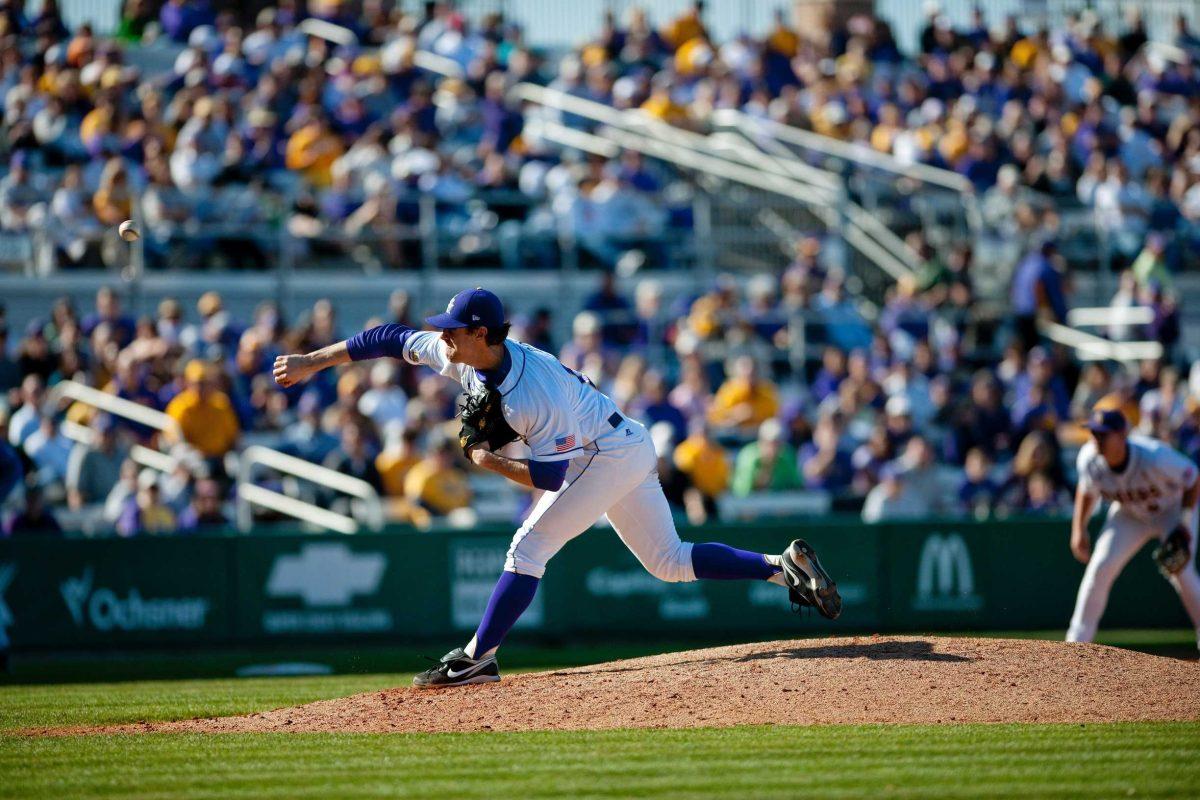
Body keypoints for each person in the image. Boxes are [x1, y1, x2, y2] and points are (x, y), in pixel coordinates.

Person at [274, 287, 843, 688]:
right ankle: (780, 565)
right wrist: (311, 361)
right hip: (624, 441)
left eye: (453, 331)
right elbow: (388, 337)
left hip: (604, 455)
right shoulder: (465, 356)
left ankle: (477, 658)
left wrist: (486, 459)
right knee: (669, 561)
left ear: (480, 334)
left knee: (528, 549)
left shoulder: (530, 393)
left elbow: (551, 477)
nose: (442, 338)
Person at [1067, 409, 1200, 649]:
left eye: (1103, 434)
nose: (1096, 439)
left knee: (1183, 572)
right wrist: (1079, 529)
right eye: (1094, 433)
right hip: (1129, 514)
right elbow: (1086, 491)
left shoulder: (1155, 456)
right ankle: (1076, 643)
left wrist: (1184, 521)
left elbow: (1193, 478)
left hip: (1171, 510)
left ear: (1122, 434)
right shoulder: (1089, 458)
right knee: (1100, 567)